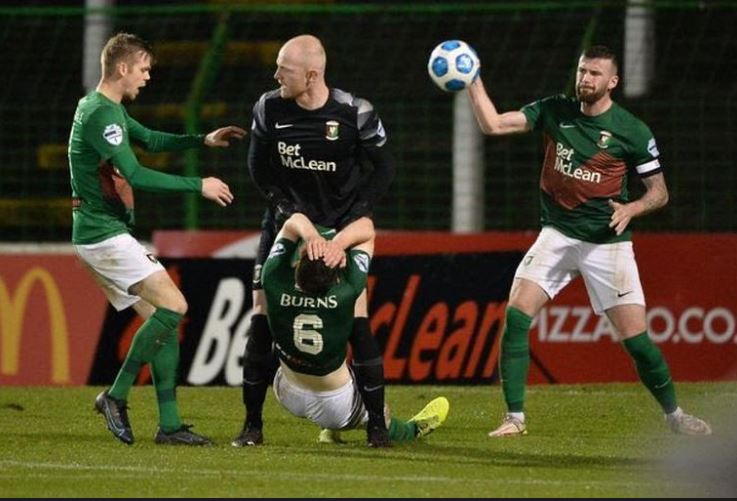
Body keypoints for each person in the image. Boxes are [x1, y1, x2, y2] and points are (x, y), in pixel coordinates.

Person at [465, 44, 711, 437]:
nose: (586, 79)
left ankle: (674, 415)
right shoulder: (554, 110)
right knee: (515, 317)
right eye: (582, 71)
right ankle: (514, 418)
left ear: (612, 82)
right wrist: (471, 80)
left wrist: (631, 210)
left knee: (637, 342)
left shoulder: (632, 131)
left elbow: (659, 192)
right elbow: (493, 125)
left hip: (607, 243)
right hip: (557, 235)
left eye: (595, 74)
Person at [68, 32, 246, 445]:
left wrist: (200, 140)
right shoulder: (101, 114)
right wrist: (198, 185)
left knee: (162, 322)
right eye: (144, 68)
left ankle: (169, 425)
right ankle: (114, 396)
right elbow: (137, 174)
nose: (148, 77)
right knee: (175, 305)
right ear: (123, 67)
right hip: (102, 234)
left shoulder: (100, 108)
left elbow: (150, 139)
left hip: (99, 232)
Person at [232, 34, 396, 446]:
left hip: (340, 228)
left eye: (283, 69)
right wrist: (287, 209)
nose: (275, 76)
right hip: (286, 226)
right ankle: (252, 426)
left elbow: (384, 170)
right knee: (261, 320)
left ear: (311, 75)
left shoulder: (354, 112)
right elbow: (259, 169)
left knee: (356, 319)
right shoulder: (269, 107)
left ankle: (377, 426)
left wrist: (352, 220)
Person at [235, 212, 448, 447]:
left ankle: (254, 427)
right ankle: (409, 429)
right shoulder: (346, 292)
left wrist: (312, 238)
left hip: (286, 393)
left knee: (266, 338)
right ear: (336, 276)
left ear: (298, 264)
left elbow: (293, 221)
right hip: (335, 405)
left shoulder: (273, 279)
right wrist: (337, 245)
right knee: (379, 407)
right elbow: (366, 229)